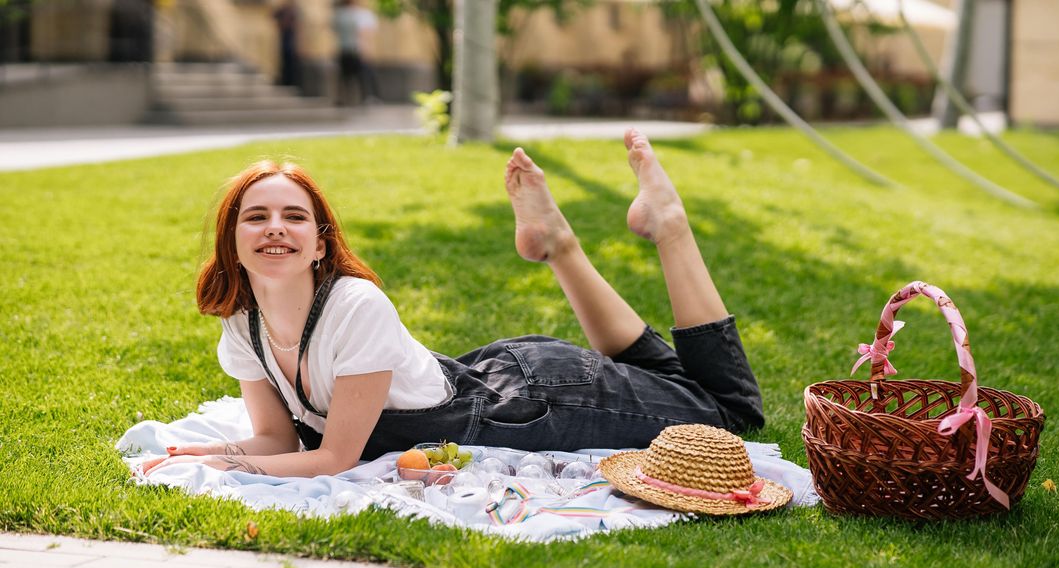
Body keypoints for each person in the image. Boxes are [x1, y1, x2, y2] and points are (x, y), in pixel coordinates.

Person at [142, 130, 763, 477]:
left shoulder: (355, 305)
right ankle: (558, 246)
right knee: (675, 385)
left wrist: (230, 471)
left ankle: (669, 226)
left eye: (294, 216)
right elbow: (278, 439)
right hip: (501, 380)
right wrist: (200, 456)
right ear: (232, 241)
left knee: (731, 414)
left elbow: (334, 458)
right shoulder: (242, 322)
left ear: (319, 242)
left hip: (537, 400)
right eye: (256, 217)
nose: (275, 227)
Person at [333, 0, 381, 105]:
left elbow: (335, 30)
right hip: (356, 50)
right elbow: (363, 34)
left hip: (344, 49)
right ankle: (366, 97)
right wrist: (366, 49)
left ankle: (343, 99)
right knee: (362, 75)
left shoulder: (340, 15)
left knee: (345, 77)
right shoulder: (357, 15)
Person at [273, 0, 301, 87]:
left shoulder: (294, 11)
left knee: (290, 61)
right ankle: (285, 80)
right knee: (284, 60)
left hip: (290, 40)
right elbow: (273, 16)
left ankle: (290, 81)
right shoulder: (283, 10)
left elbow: (297, 24)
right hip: (285, 39)